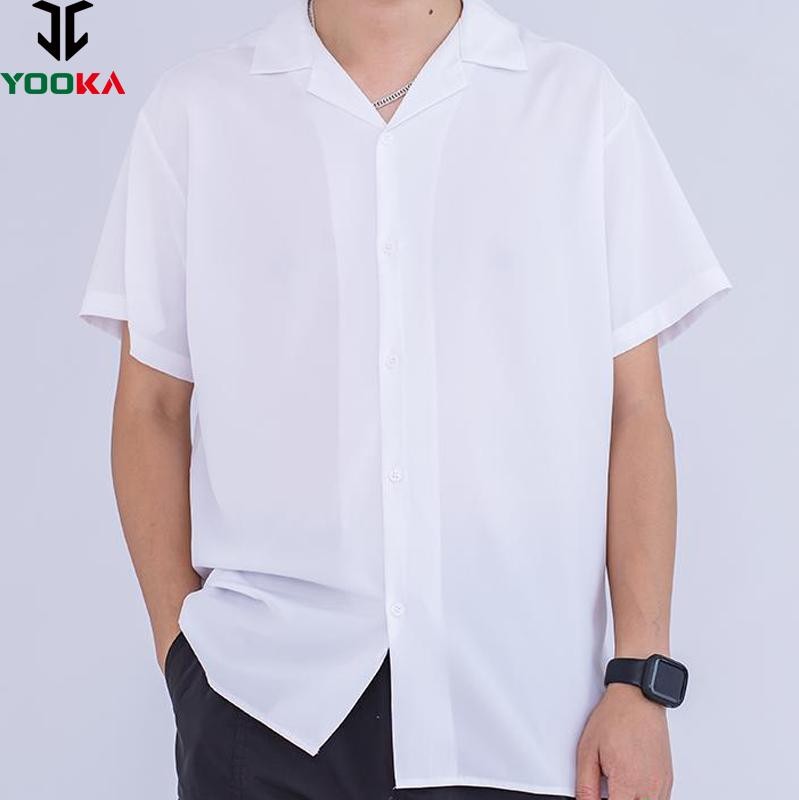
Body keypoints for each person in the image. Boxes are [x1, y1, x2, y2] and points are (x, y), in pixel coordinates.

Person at [77, 0, 732, 798]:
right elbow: (151, 406)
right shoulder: (196, 114)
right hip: (261, 702)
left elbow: (636, 413)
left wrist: (640, 679)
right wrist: (181, 657)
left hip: (523, 720)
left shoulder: (578, 105)